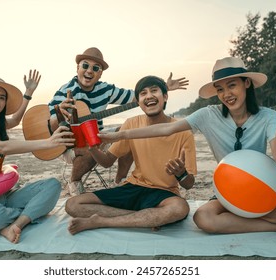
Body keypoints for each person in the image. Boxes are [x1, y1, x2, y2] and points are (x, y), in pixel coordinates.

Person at [99, 57, 276, 239]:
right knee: (203, 218)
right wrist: (119, 134)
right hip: (228, 192)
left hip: (262, 189)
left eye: (232, 85)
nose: (226, 94)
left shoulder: (268, 116)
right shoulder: (208, 115)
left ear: (246, 84)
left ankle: (257, 213)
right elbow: (166, 130)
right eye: (220, 89)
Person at [65, 75, 197, 235]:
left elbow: (189, 184)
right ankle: (146, 218)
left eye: (154, 91)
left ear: (165, 96)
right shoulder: (131, 124)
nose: (149, 96)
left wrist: (180, 173)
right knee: (72, 205)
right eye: (143, 93)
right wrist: (93, 149)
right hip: (134, 186)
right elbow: (107, 162)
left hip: (165, 193)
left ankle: (101, 221)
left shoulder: (182, 130)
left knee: (180, 208)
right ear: (139, 101)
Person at [48, 47, 189, 196]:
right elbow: (48, 125)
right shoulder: (65, 91)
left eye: (95, 68)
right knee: (91, 147)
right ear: (78, 67)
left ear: (100, 73)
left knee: (128, 134)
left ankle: (119, 182)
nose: (89, 71)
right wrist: (58, 115)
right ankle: (74, 181)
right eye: (85, 65)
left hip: (97, 137)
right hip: (68, 145)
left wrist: (164, 87)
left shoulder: (106, 90)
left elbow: (137, 97)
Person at [0, 71, 75, 243]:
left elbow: (16, 120)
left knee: (53, 186)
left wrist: (28, 93)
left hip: (4, 196)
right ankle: (26, 214)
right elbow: (1, 147)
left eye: (2, 97)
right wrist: (48, 142)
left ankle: (17, 224)